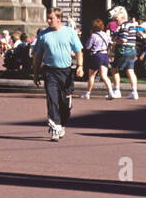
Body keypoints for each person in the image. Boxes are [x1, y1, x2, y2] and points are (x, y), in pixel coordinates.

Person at [31, 8, 85, 141]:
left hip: (66, 72)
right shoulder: (43, 34)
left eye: (51, 18)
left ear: (59, 19)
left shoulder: (69, 32)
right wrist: (36, 73)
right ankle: (55, 127)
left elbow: (78, 51)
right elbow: (37, 55)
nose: (48, 21)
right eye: (48, 18)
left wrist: (80, 66)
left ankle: (61, 123)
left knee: (65, 104)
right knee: (52, 100)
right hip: (50, 72)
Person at [107, 7, 139, 100]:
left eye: (117, 19)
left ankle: (117, 90)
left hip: (124, 50)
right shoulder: (132, 25)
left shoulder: (124, 26)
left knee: (114, 69)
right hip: (132, 50)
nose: (116, 22)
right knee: (130, 70)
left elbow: (123, 39)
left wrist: (114, 40)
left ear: (123, 18)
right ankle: (134, 91)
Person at [82, 19, 115, 100]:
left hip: (96, 55)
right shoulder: (105, 34)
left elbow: (88, 47)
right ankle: (111, 92)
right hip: (105, 54)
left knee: (91, 75)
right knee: (104, 75)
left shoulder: (93, 36)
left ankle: (88, 93)